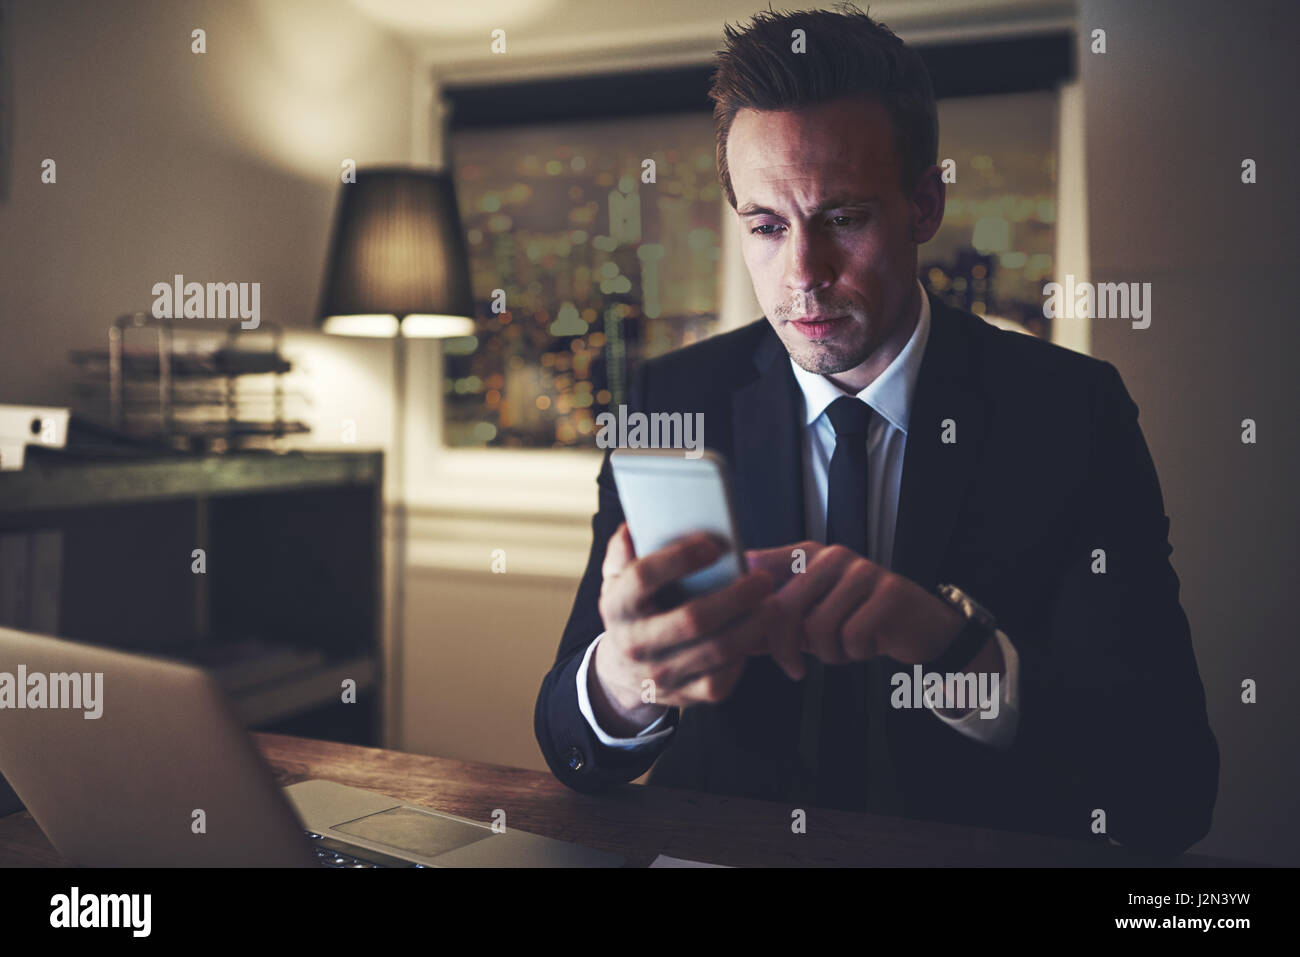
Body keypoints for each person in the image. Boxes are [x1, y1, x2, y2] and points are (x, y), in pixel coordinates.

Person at [534, 3, 1218, 859]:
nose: (803, 277)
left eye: (844, 219)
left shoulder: (1072, 414)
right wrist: (631, 672)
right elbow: (568, 741)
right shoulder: (670, 397)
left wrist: (950, 646)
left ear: (924, 204)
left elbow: (1173, 788)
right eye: (767, 228)